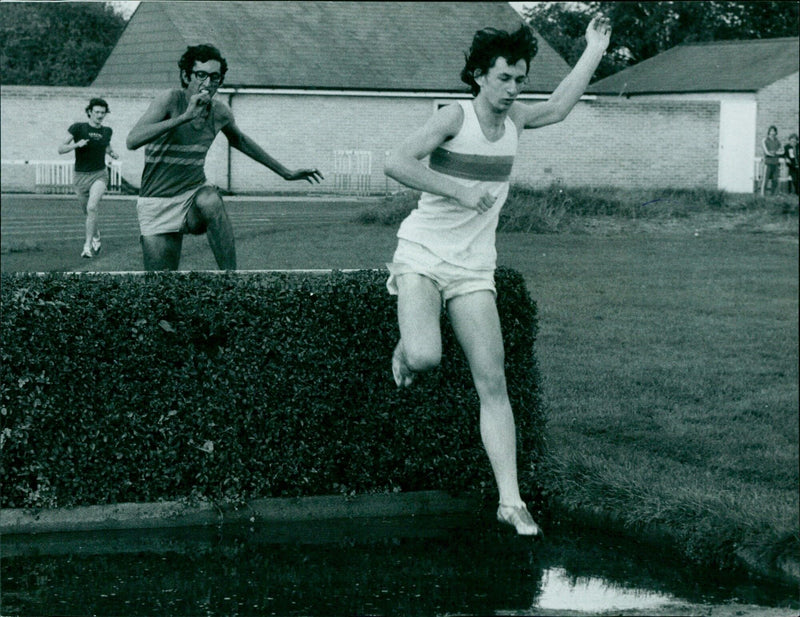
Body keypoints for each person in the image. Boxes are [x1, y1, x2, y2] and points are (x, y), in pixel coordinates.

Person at [384, 16, 611, 537]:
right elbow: (395, 162)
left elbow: (560, 105)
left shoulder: (516, 123)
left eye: (520, 80)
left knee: (494, 381)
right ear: (479, 75)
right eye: (504, 78)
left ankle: (511, 501)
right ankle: (407, 347)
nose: (513, 90)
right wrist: (459, 191)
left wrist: (594, 49)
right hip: (422, 253)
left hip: (473, 269)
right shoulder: (451, 117)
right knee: (425, 356)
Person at [126, 44, 323, 270]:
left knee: (210, 200)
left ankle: (230, 283)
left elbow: (240, 141)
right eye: (201, 75)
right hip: (156, 202)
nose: (207, 84)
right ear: (185, 75)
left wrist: (286, 173)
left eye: (214, 77)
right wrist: (185, 117)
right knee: (161, 289)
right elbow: (132, 140)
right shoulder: (170, 99)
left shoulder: (219, 112)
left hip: (192, 196)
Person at [58, 97, 119, 258]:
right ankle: (96, 235)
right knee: (87, 211)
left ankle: (87, 246)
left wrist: (111, 153)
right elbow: (61, 148)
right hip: (80, 176)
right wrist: (76, 145)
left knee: (92, 207)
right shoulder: (78, 128)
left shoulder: (107, 131)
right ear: (90, 112)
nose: (100, 115)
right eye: (97, 112)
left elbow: (106, 145)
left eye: (103, 112)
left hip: (99, 174)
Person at [760, 125, 781, 196]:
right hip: (768, 163)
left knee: (775, 180)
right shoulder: (765, 140)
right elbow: (767, 152)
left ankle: (773, 194)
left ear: (776, 132)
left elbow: (781, 151)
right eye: (771, 131)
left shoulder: (777, 141)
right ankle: (762, 195)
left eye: (774, 131)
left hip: (776, 163)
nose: (772, 132)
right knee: (765, 179)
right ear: (769, 132)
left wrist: (774, 152)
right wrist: (773, 153)